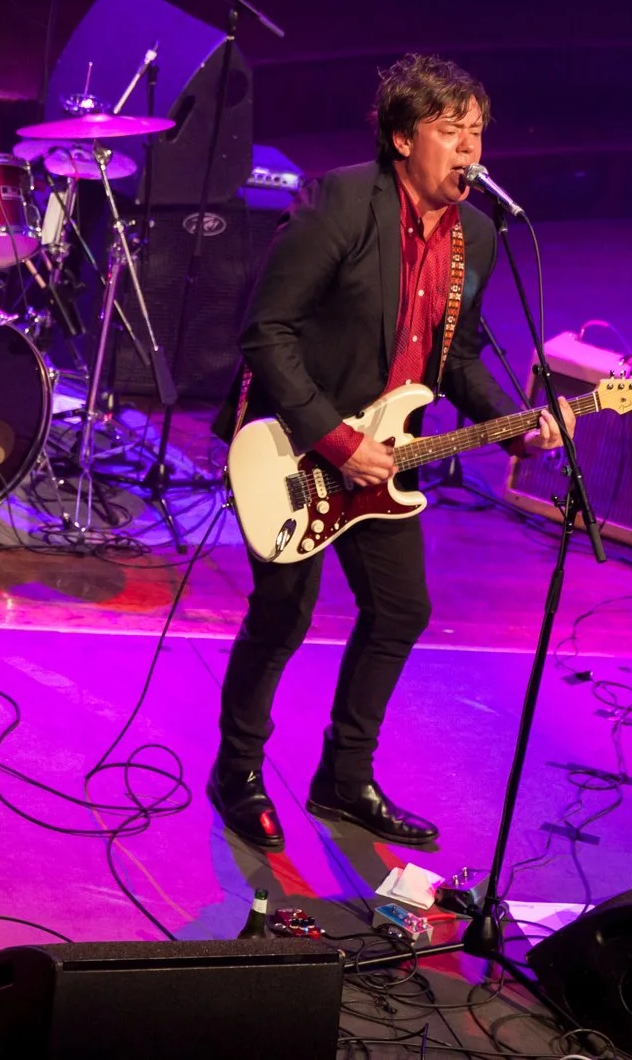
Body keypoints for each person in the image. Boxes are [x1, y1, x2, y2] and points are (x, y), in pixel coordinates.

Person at [209, 54, 561, 852]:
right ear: (404, 138)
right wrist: (336, 439)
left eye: (476, 131)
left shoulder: (476, 233)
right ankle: (237, 771)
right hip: (296, 444)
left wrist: (516, 421)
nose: (470, 148)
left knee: (402, 608)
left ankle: (344, 777)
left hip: (387, 455)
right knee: (285, 611)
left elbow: (457, 357)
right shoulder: (340, 201)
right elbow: (267, 333)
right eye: (450, 130)